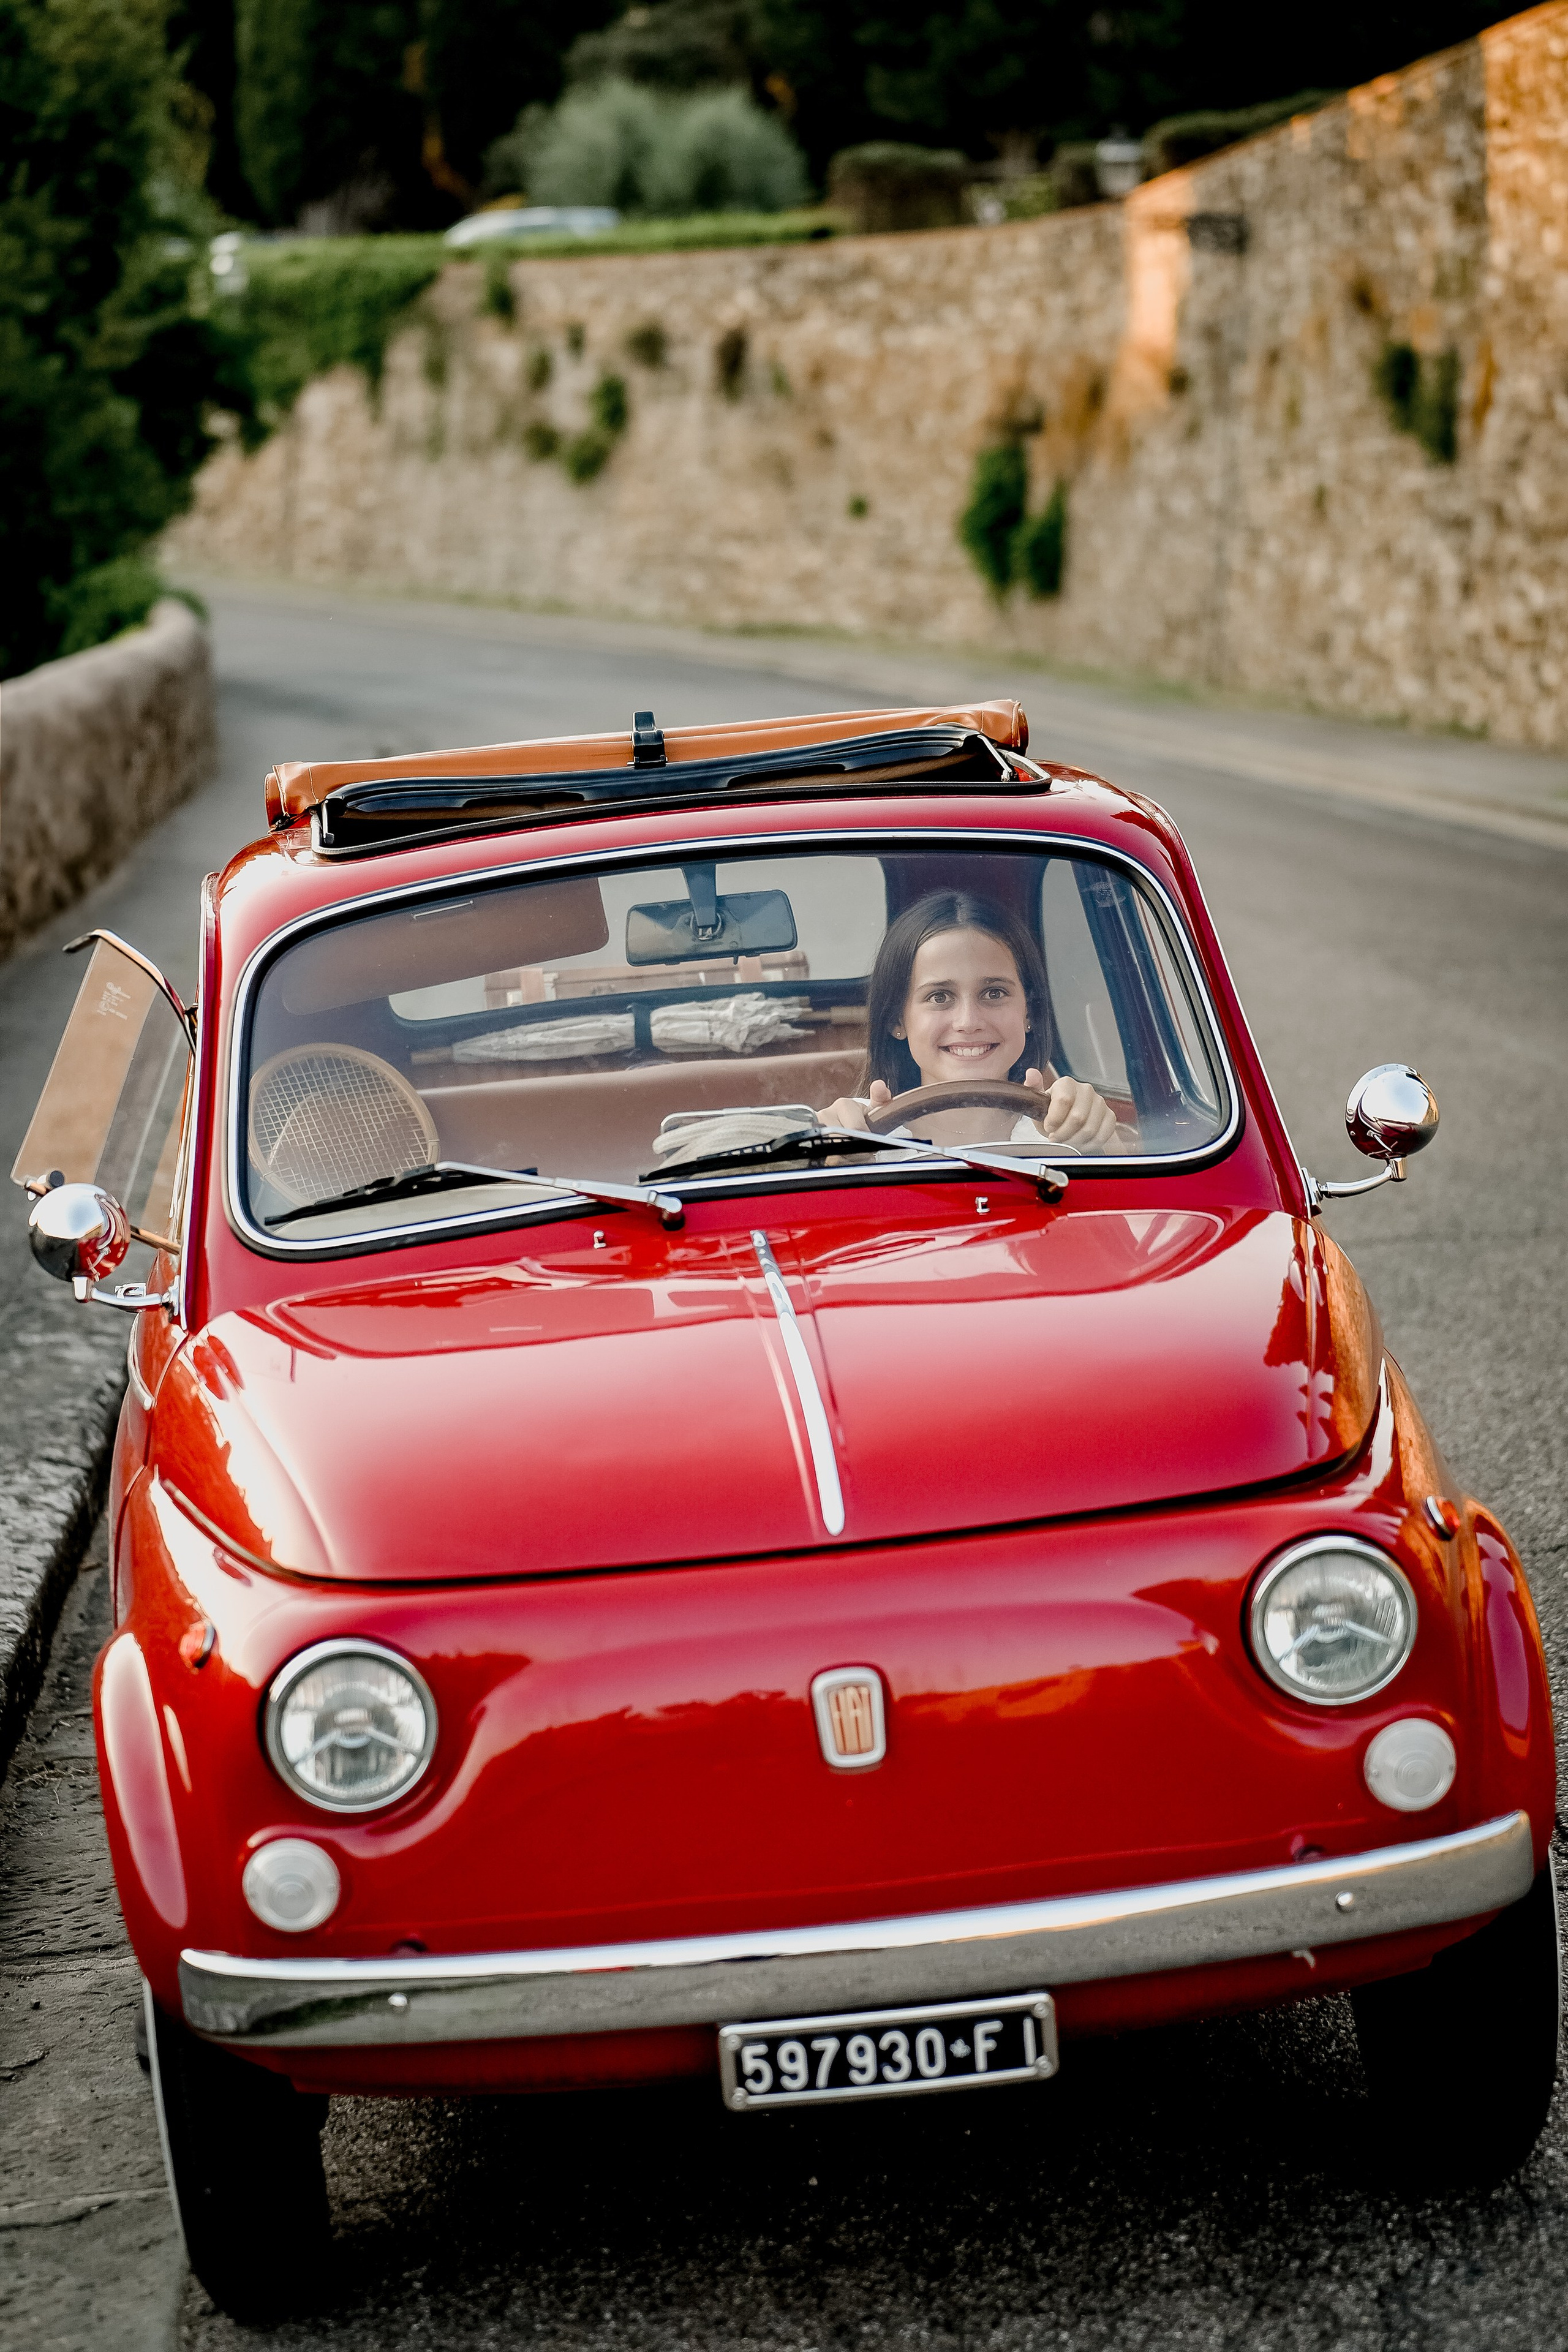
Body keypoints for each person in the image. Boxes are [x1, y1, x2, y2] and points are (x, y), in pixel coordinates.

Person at [823, 891, 1120, 1152]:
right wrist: (819, 1153)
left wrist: (1094, 1140)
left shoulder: (1069, 1134)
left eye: (994, 993)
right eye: (940, 997)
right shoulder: (851, 1132)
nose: (968, 1022)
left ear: (1029, 1012)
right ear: (896, 1021)